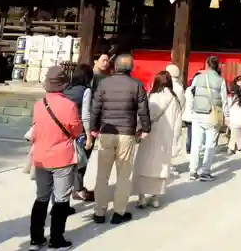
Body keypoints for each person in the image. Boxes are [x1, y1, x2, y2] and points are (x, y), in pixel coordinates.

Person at [90, 53, 151, 225]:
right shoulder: (137, 85)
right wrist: (145, 128)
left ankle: (99, 212)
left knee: (102, 174)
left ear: (115, 67)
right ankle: (119, 212)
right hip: (126, 133)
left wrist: (93, 128)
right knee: (123, 175)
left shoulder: (103, 83)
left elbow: (95, 108)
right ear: (131, 68)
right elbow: (143, 110)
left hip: (106, 131)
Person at [29, 67, 83, 250]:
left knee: (41, 197)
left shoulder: (38, 104)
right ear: (64, 85)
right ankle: (56, 240)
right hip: (62, 156)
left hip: (41, 157)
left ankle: (36, 239)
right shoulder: (69, 106)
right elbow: (76, 131)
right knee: (61, 199)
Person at [131, 71, 182, 208]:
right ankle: (155, 197)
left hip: (149, 136)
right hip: (165, 138)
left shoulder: (152, 97)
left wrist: (138, 129)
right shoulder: (175, 100)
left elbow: (143, 115)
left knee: (144, 164)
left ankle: (142, 197)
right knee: (161, 167)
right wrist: (176, 141)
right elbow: (178, 124)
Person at [189, 56, 227, 181]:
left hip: (197, 113)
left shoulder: (198, 77)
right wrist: (225, 115)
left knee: (196, 144)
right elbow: (224, 100)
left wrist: (191, 110)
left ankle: (192, 171)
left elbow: (191, 94)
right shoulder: (221, 80)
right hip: (212, 114)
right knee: (210, 144)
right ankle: (205, 172)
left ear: (206, 64)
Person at [62, 64, 95, 201]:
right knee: (81, 161)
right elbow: (85, 114)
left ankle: (67, 192)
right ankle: (78, 189)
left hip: (64, 131)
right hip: (79, 131)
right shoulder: (86, 90)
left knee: (66, 164)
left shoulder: (66, 89)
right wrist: (88, 135)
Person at [165, 64, 186, 175]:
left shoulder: (162, 85)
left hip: (162, 118)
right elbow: (182, 104)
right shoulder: (179, 87)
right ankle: (169, 165)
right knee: (173, 140)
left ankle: (163, 164)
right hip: (174, 117)